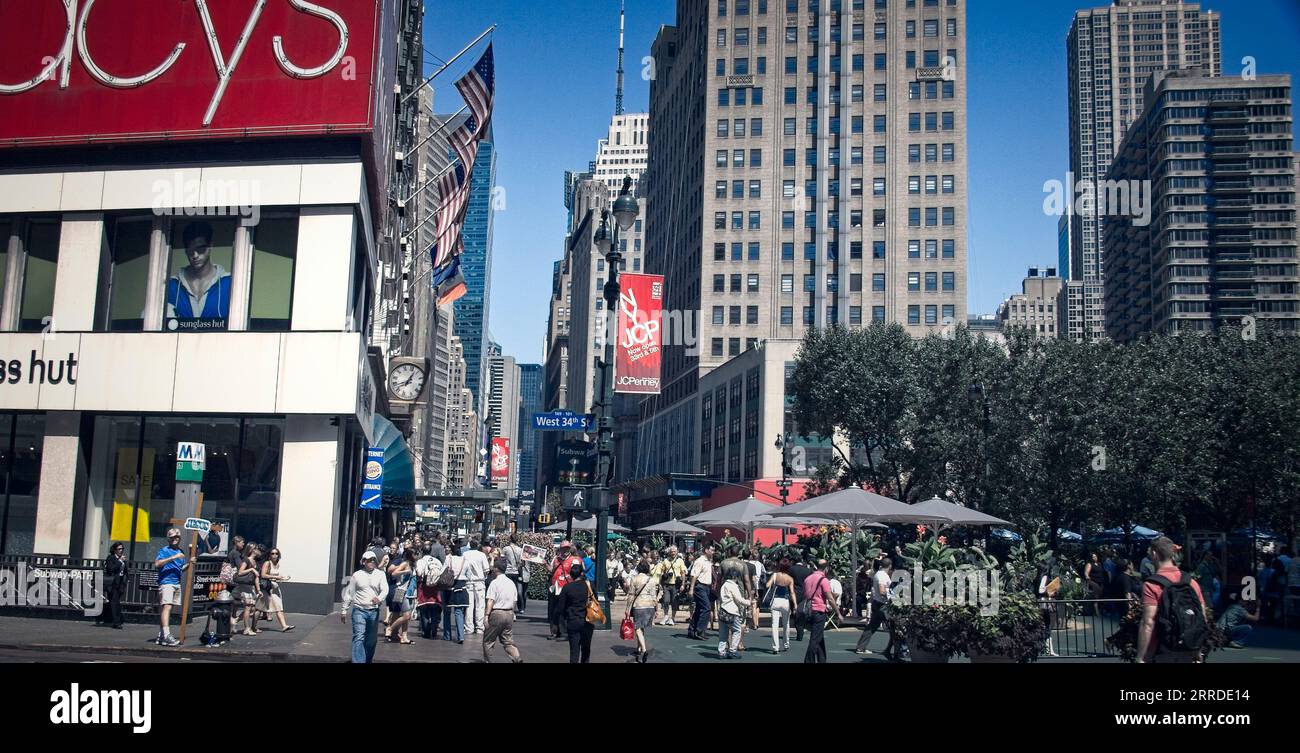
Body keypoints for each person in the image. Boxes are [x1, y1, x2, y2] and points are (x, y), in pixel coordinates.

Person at [1137, 536, 1208, 664]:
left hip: (1163, 651)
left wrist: (1141, 657)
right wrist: (1198, 650)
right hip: (1189, 649)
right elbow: (1201, 618)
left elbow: (1148, 622)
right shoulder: (1191, 582)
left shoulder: (1152, 585)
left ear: (1154, 554)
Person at [166, 220, 232, 321]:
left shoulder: (229, 283)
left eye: (200, 249)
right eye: (190, 250)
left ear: (211, 246)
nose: (195, 255)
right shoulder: (171, 286)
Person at [340, 551, 388, 664]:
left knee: (371, 640)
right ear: (363, 561)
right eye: (368, 560)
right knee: (359, 637)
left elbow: (385, 589)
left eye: (373, 560)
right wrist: (344, 610)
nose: (371, 562)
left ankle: (367, 660)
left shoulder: (380, 574)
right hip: (359, 610)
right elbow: (349, 593)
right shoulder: (357, 575)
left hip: (373, 611)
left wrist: (379, 598)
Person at [483, 559, 523, 664]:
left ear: (496, 569)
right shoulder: (511, 583)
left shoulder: (494, 583)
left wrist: (486, 615)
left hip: (497, 613)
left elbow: (491, 600)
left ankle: (489, 661)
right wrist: (512, 613)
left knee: (488, 640)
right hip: (509, 613)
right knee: (508, 640)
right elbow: (514, 600)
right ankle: (516, 657)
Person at [559, 562, 596, 663]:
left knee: (574, 650)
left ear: (571, 575)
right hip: (587, 620)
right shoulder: (589, 586)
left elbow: (561, 607)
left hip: (573, 620)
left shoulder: (567, 588)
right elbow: (595, 600)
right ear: (581, 574)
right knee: (586, 649)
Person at [856, 559, 893, 655]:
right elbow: (882, 590)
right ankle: (895, 650)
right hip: (883, 605)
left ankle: (861, 647)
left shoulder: (878, 574)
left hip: (877, 603)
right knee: (894, 628)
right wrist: (891, 597)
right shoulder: (883, 576)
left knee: (871, 626)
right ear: (890, 566)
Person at [625, 559, 660, 663]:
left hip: (639, 605)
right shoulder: (652, 580)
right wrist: (657, 609)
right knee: (642, 627)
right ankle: (639, 648)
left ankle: (644, 650)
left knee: (637, 628)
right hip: (650, 606)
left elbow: (631, 596)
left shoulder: (634, 579)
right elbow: (654, 597)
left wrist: (627, 609)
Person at [547, 542, 583, 640]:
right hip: (555, 587)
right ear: (560, 549)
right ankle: (554, 632)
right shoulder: (556, 559)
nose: (566, 550)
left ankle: (564, 633)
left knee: (563, 611)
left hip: (567, 588)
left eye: (567, 548)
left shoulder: (574, 559)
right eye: (564, 548)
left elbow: (578, 572)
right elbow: (551, 570)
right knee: (553, 611)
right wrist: (545, 564)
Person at [803, 559, 835, 663]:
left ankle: (822, 659)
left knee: (818, 636)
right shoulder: (824, 580)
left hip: (809, 610)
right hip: (819, 610)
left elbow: (806, 594)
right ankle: (808, 660)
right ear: (826, 568)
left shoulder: (807, 578)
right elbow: (830, 598)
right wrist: (838, 613)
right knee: (815, 639)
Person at [257, 547, 294, 632]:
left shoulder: (277, 564)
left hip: (275, 588)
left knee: (279, 607)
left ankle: (284, 626)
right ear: (269, 555)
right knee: (259, 608)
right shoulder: (267, 563)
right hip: (268, 588)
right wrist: (276, 577)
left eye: (276, 553)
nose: (274, 555)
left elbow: (275, 577)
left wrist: (282, 579)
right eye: (272, 553)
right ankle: (252, 626)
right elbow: (263, 575)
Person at [717, 570, 752, 660]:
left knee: (723, 633)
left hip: (722, 611)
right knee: (737, 631)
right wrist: (749, 602)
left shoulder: (723, 585)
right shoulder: (733, 586)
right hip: (731, 612)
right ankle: (732, 651)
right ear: (734, 577)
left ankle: (721, 652)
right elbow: (739, 599)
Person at [386, 548, 418, 644]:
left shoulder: (413, 565)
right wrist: (405, 572)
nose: (417, 556)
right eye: (415, 554)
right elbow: (394, 573)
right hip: (399, 590)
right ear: (410, 555)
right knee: (407, 616)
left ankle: (404, 637)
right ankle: (390, 629)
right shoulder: (405, 563)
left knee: (403, 614)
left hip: (405, 591)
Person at [765, 559, 798, 653]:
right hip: (785, 601)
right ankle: (786, 644)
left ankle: (775, 647)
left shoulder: (775, 575)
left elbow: (768, 585)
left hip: (775, 600)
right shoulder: (790, 579)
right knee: (786, 624)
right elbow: (792, 593)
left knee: (774, 625)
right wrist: (795, 604)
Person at [685, 544, 715, 640]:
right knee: (706, 608)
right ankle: (700, 630)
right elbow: (694, 575)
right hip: (700, 586)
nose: (713, 552)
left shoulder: (709, 561)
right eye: (711, 550)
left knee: (699, 608)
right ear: (706, 550)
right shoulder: (700, 561)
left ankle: (692, 629)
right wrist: (691, 589)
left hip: (706, 587)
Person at [460, 539, 490, 635]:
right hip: (480, 582)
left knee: (469, 605)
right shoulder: (481, 555)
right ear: (478, 546)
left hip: (468, 581)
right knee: (480, 605)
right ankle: (479, 627)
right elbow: (486, 569)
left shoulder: (465, 554)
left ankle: (469, 627)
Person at [234, 543, 263, 636]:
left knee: (252, 609)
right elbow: (240, 572)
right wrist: (251, 569)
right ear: (252, 550)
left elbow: (257, 577)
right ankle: (246, 628)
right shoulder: (246, 560)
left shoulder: (255, 562)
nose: (259, 551)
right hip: (245, 587)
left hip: (251, 587)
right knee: (248, 607)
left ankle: (236, 620)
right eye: (257, 549)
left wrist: (258, 590)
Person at [442, 545, 469, 644]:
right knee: (459, 612)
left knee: (447, 612)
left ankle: (447, 635)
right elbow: (468, 575)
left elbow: (442, 571)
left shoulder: (448, 559)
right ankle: (460, 636)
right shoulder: (465, 561)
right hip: (461, 587)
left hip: (449, 588)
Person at [98, 542, 128, 629]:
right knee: (114, 602)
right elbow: (111, 569)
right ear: (114, 550)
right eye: (119, 549)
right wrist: (119, 561)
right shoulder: (111, 558)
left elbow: (125, 570)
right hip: (112, 583)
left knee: (116, 602)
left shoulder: (122, 559)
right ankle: (116, 622)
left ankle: (110, 618)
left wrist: (126, 579)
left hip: (120, 583)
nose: (121, 551)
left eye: (122, 549)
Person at [654, 546, 686, 626]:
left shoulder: (680, 561)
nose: (673, 553)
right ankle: (665, 616)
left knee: (674, 601)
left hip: (676, 584)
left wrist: (683, 584)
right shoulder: (665, 561)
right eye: (671, 551)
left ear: (677, 552)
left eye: (674, 551)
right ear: (669, 552)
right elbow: (661, 572)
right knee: (666, 600)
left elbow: (683, 573)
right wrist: (661, 582)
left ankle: (673, 618)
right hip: (667, 584)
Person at [788, 553, 815, 642]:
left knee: (795, 612)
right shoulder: (808, 570)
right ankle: (802, 626)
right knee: (803, 611)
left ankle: (799, 629)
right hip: (805, 593)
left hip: (794, 594)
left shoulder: (791, 569)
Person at [502, 534, 528, 613]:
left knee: (506, 590)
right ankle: (521, 608)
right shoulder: (520, 550)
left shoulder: (506, 549)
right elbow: (523, 563)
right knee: (518, 590)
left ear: (510, 539)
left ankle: (506, 605)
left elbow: (502, 559)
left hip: (507, 571)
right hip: (516, 572)